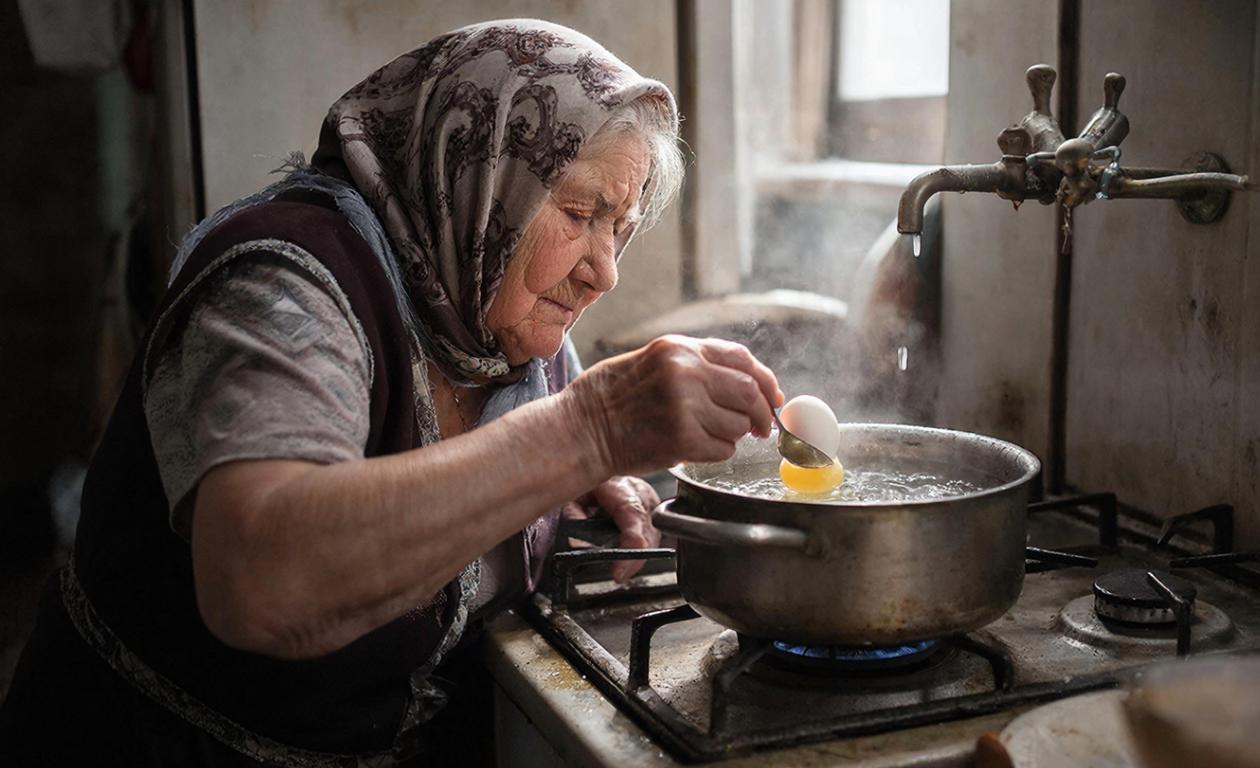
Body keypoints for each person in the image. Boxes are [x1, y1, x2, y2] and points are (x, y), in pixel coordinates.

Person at [0, 19, 782, 766]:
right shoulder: (285, 286)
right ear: (475, 174)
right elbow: (261, 584)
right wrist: (589, 431)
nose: (604, 269)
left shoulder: (499, 327)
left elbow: (491, 470)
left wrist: (570, 481)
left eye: (621, 227)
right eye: (581, 214)